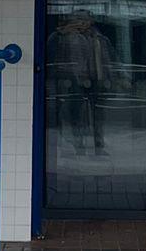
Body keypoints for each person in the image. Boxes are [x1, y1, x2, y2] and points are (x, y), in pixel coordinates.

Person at [46, 10, 117, 153]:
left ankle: (99, 144)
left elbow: (107, 59)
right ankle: (79, 144)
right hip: (75, 80)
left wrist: (111, 78)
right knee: (77, 113)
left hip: (96, 79)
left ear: (91, 21)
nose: (82, 23)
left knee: (98, 114)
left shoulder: (100, 38)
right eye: (79, 19)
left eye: (85, 20)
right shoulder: (66, 36)